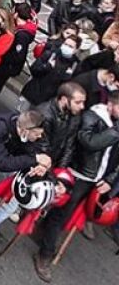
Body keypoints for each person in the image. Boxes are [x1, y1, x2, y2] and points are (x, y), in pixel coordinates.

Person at [34, 92, 119, 282]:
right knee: (60, 214)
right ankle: (44, 254)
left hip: (97, 180)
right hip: (79, 174)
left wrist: (110, 180)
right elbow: (90, 143)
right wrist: (115, 132)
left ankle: (43, 234)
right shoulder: (91, 117)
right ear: (111, 104)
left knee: (65, 216)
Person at [0, 109, 52, 257]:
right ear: (25, 130)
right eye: (37, 134)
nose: (40, 136)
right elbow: (1, 163)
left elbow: (39, 148)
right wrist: (35, 159)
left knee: (10, 196)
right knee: (11, 202)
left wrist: (41, 164)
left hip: (11, 155)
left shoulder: (32, 130)